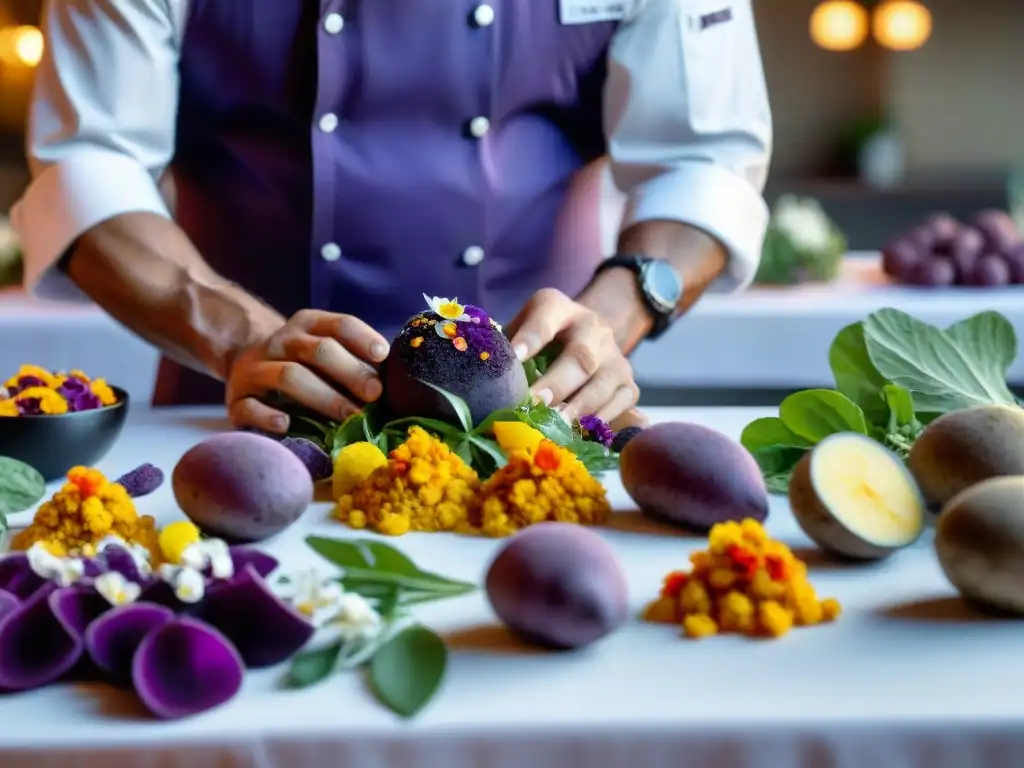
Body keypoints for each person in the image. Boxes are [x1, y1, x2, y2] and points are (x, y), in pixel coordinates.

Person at [11, 0, 772, 434]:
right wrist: (239, 337)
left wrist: (612, 315)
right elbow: (90, 166)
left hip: (538, 426)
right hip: (244, 417)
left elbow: (702, 163)